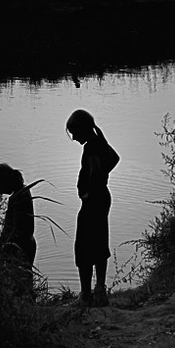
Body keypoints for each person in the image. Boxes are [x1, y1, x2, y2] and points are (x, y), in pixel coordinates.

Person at [65, 109, 120, 307]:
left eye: (74, 132)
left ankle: (86, 294)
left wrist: (88, 190)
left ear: (82, 129)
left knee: (84, 246)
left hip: (93, 201)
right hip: (102, 197)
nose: (73, 137)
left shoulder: (90, 147)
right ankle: (100, 290)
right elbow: (115, 159)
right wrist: (101, 179)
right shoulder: (100, 143)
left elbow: (95, 167)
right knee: (99, 241)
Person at [0, 163, 36, 294]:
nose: (0, 193)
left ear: (4, 181)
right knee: (23, 284)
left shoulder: (17, 197)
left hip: (19, 248)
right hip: (26, 245)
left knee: (19, 286)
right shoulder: (23, 192)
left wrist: (2, 252)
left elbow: (15, 230)